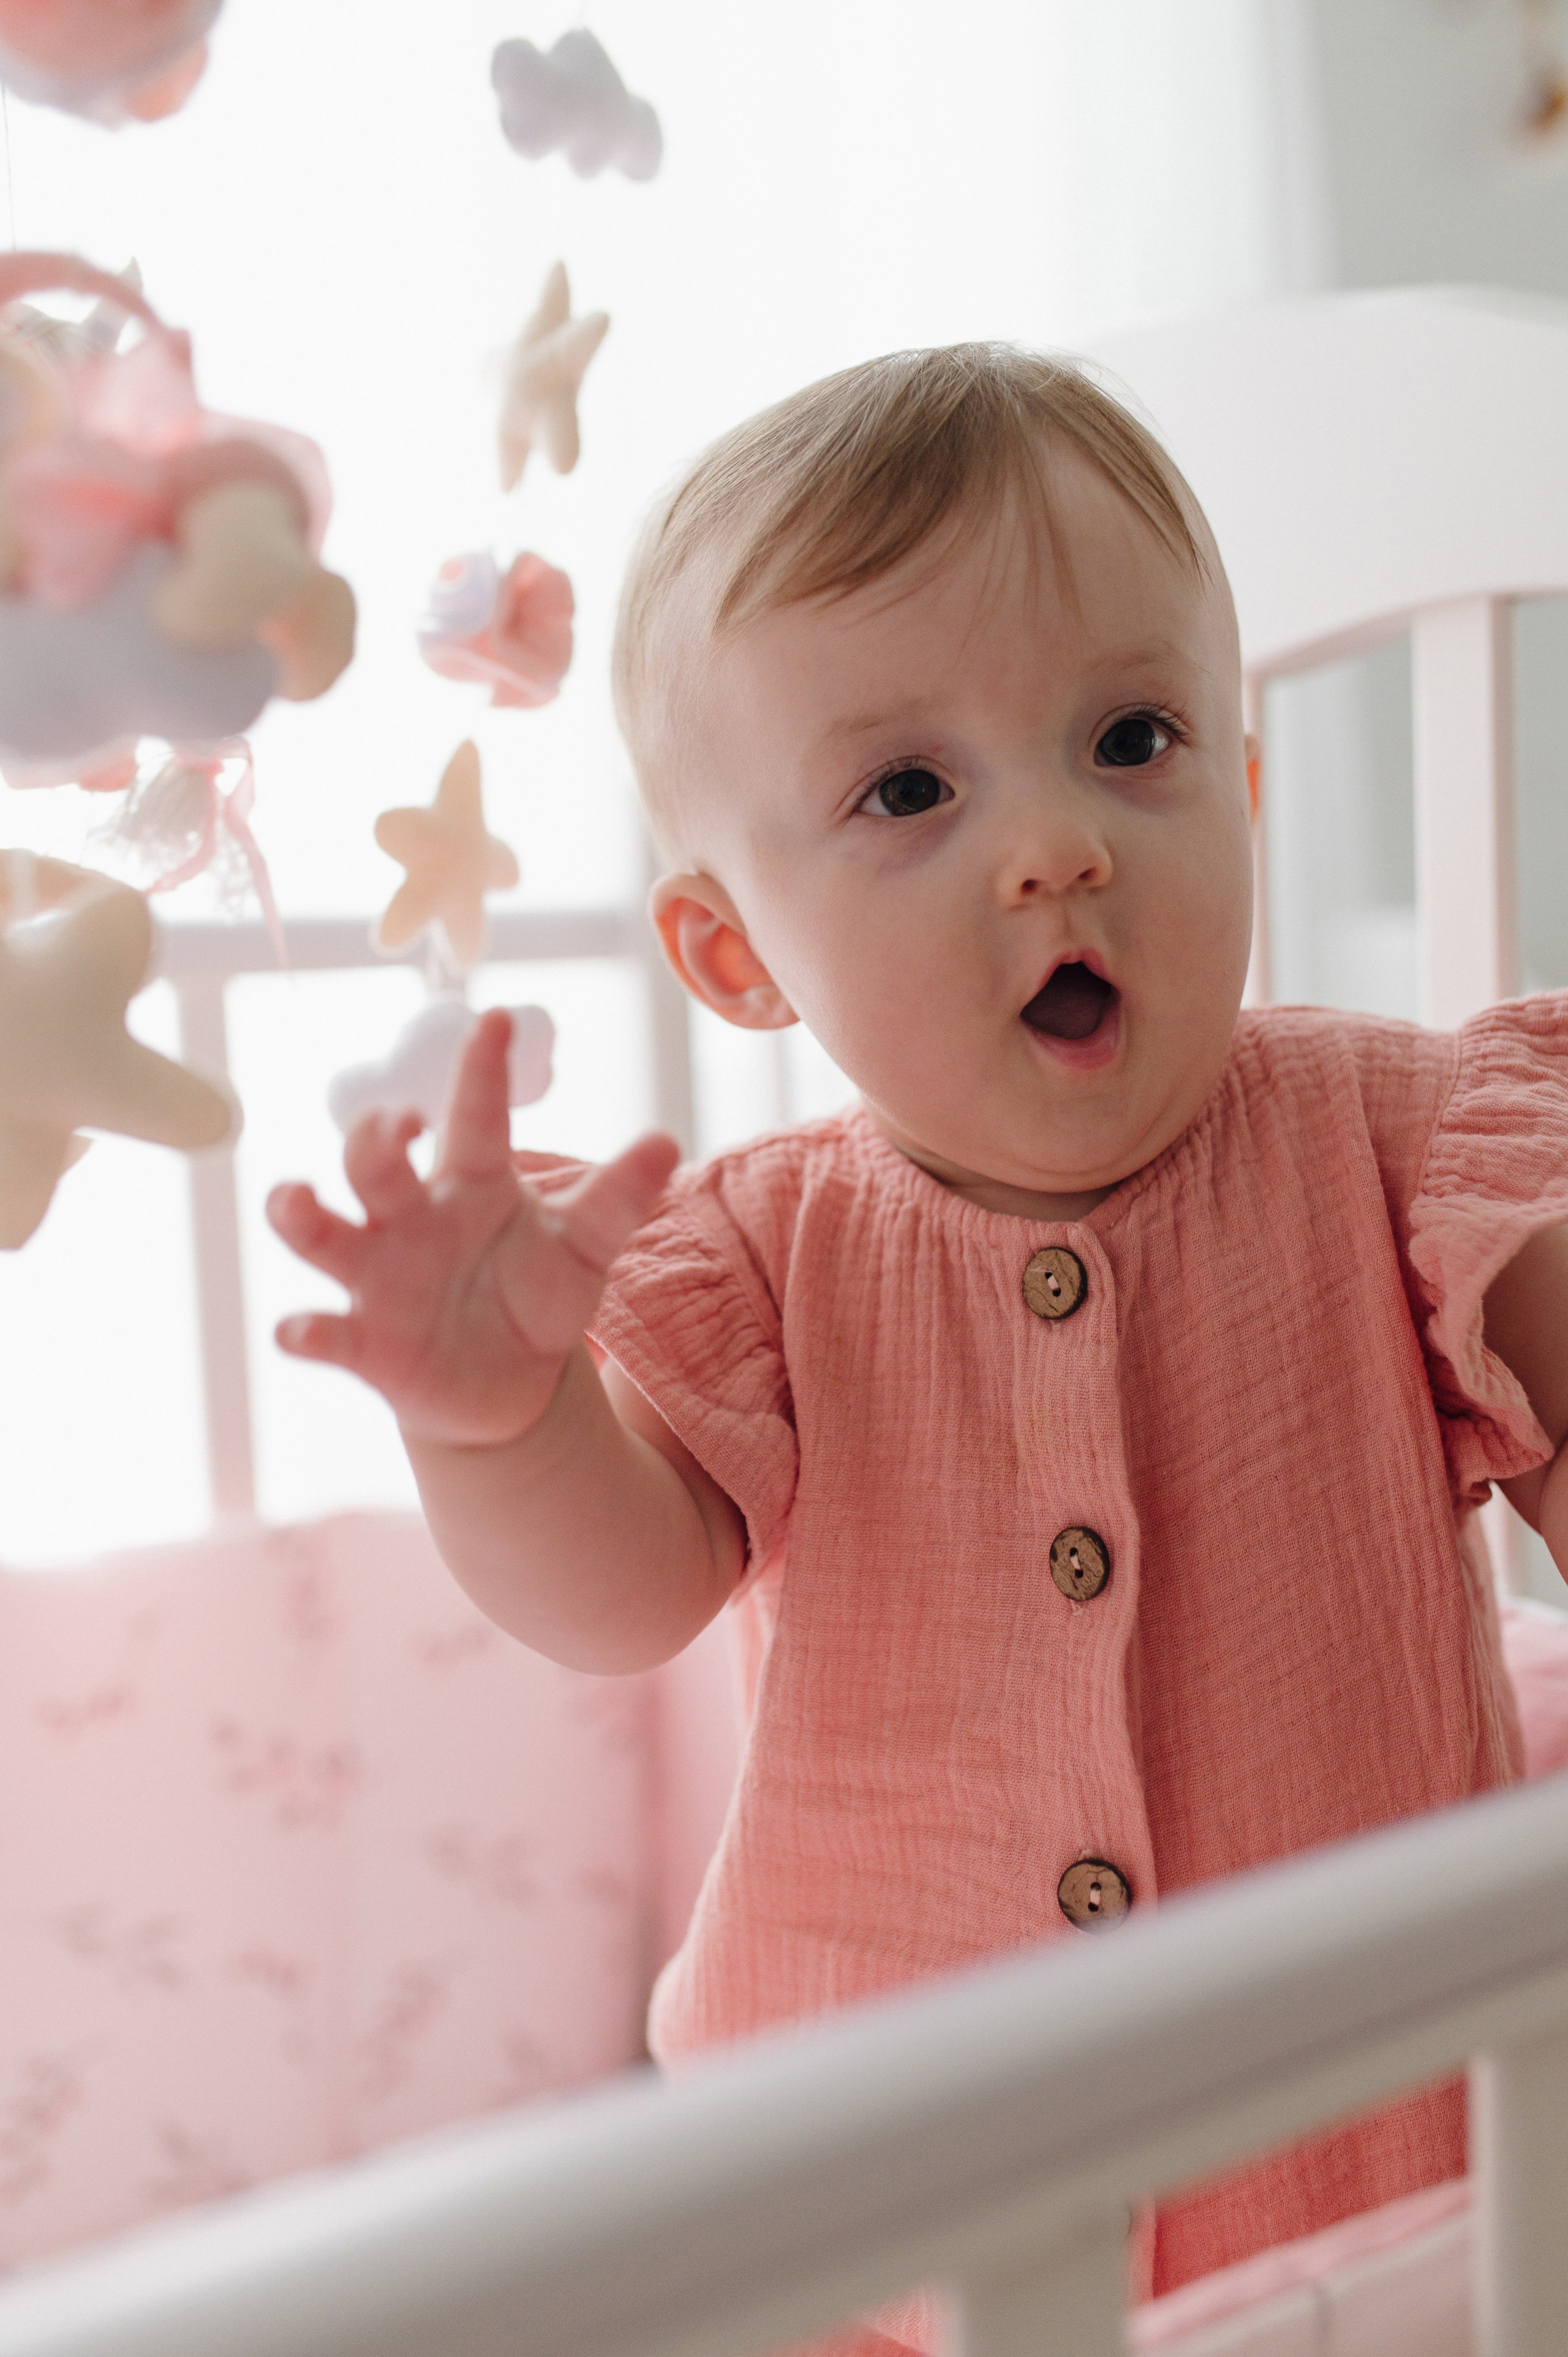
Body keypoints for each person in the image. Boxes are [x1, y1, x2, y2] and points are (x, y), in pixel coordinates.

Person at [266, 344, 1568, 2309]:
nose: (1057, 843)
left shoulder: (1398, 1144)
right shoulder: (768, 1255)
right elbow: (619, 1592)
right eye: (907, 789)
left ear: (1245, 780)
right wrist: (499, 1424)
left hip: (1376, 2184)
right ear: (734, 954)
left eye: (1134, 739)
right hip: (875, 2208)